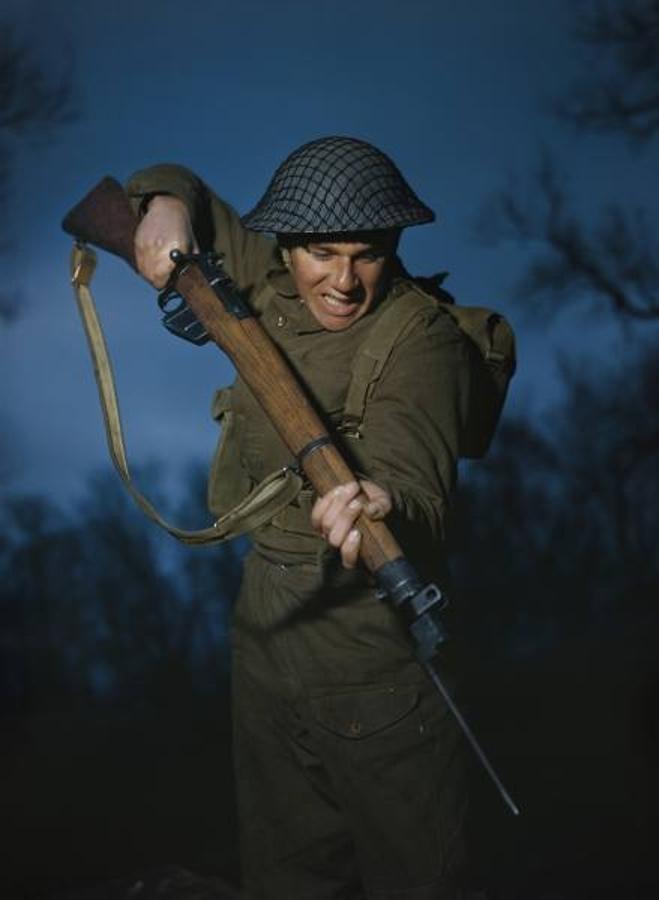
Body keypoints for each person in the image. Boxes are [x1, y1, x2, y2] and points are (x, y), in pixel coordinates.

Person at [126, 136, 473, 900]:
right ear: (285, 243)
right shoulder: (263, 277)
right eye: (321, 252)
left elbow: (415, 484)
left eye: (368, 254)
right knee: (285, 881)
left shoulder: (423, 339)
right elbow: (172, 177)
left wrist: (384, 505)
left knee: (420, 880)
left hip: (370, 645)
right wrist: (164, 206)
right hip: (263, 631)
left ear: (395, 248)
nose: (343, 281)